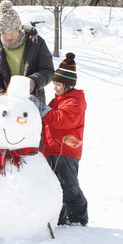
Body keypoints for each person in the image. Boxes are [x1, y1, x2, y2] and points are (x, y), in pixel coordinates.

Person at [30, 53, 88, 226]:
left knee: (68, 186)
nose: (55, 88)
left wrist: (41, 108)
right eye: (54, 84)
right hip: (52, 149)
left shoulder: (75, 102)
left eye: (58, 85)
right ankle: (61, 218)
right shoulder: (58, 101)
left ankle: (78, 217)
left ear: (69, 85)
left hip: (66, 152)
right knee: (55, 186)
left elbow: (60, 120)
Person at [0, 0, 54, 103]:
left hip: (34, 102)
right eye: (4, 33)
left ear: (18, 28)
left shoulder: (36, 42)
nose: (8, 36)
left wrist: (34, 81)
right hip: (6, 105)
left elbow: (48, 70)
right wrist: (2, 98)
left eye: (12, 31)